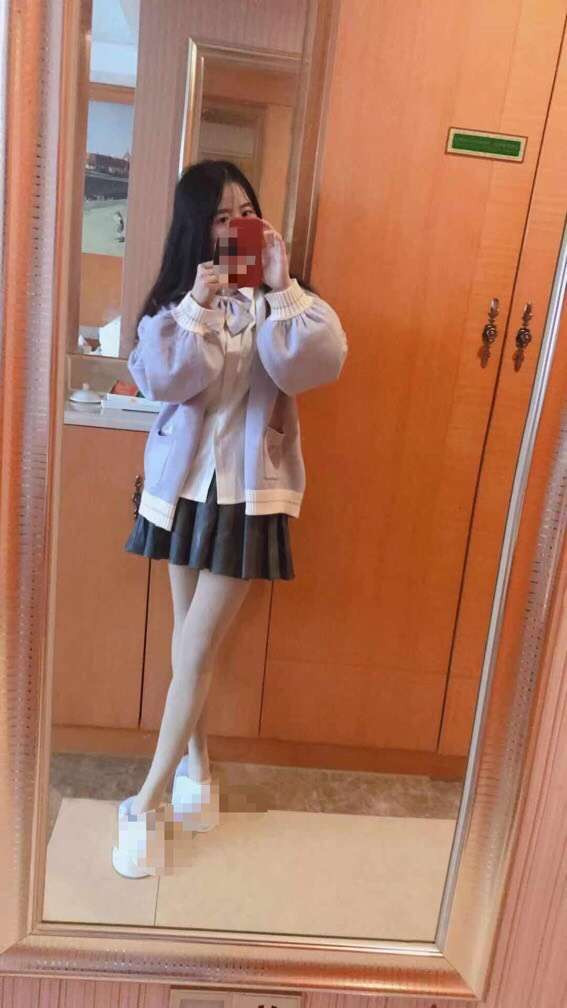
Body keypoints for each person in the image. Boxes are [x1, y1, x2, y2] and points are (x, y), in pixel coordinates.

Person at [121, 159, 348, 827]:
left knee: (194, 648)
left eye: (245, 212)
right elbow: (163, 379)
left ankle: (148, 799)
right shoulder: (178, 308)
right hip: (184, 492)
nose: (237, 225)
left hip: (247, 496)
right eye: (221, 217)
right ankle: (196, 766)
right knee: (186, 641)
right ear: (198, 229)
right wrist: (197, 306)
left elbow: (314, 366)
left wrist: (280, 289)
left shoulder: (285, 305)